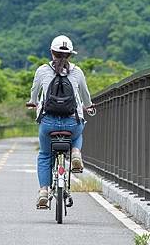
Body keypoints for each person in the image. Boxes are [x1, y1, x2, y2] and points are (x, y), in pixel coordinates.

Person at [27, 35, 93, 209]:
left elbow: (34, 93)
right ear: (70, 55)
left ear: (51, 52)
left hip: (48, 123)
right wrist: (88, 106)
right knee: (80, 129)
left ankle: (43, 191)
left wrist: (33, 102)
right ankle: (76, 153)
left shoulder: (42, 70)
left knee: (45, 155)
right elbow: (86, 97)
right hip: (72, 123)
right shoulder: (77, 72)